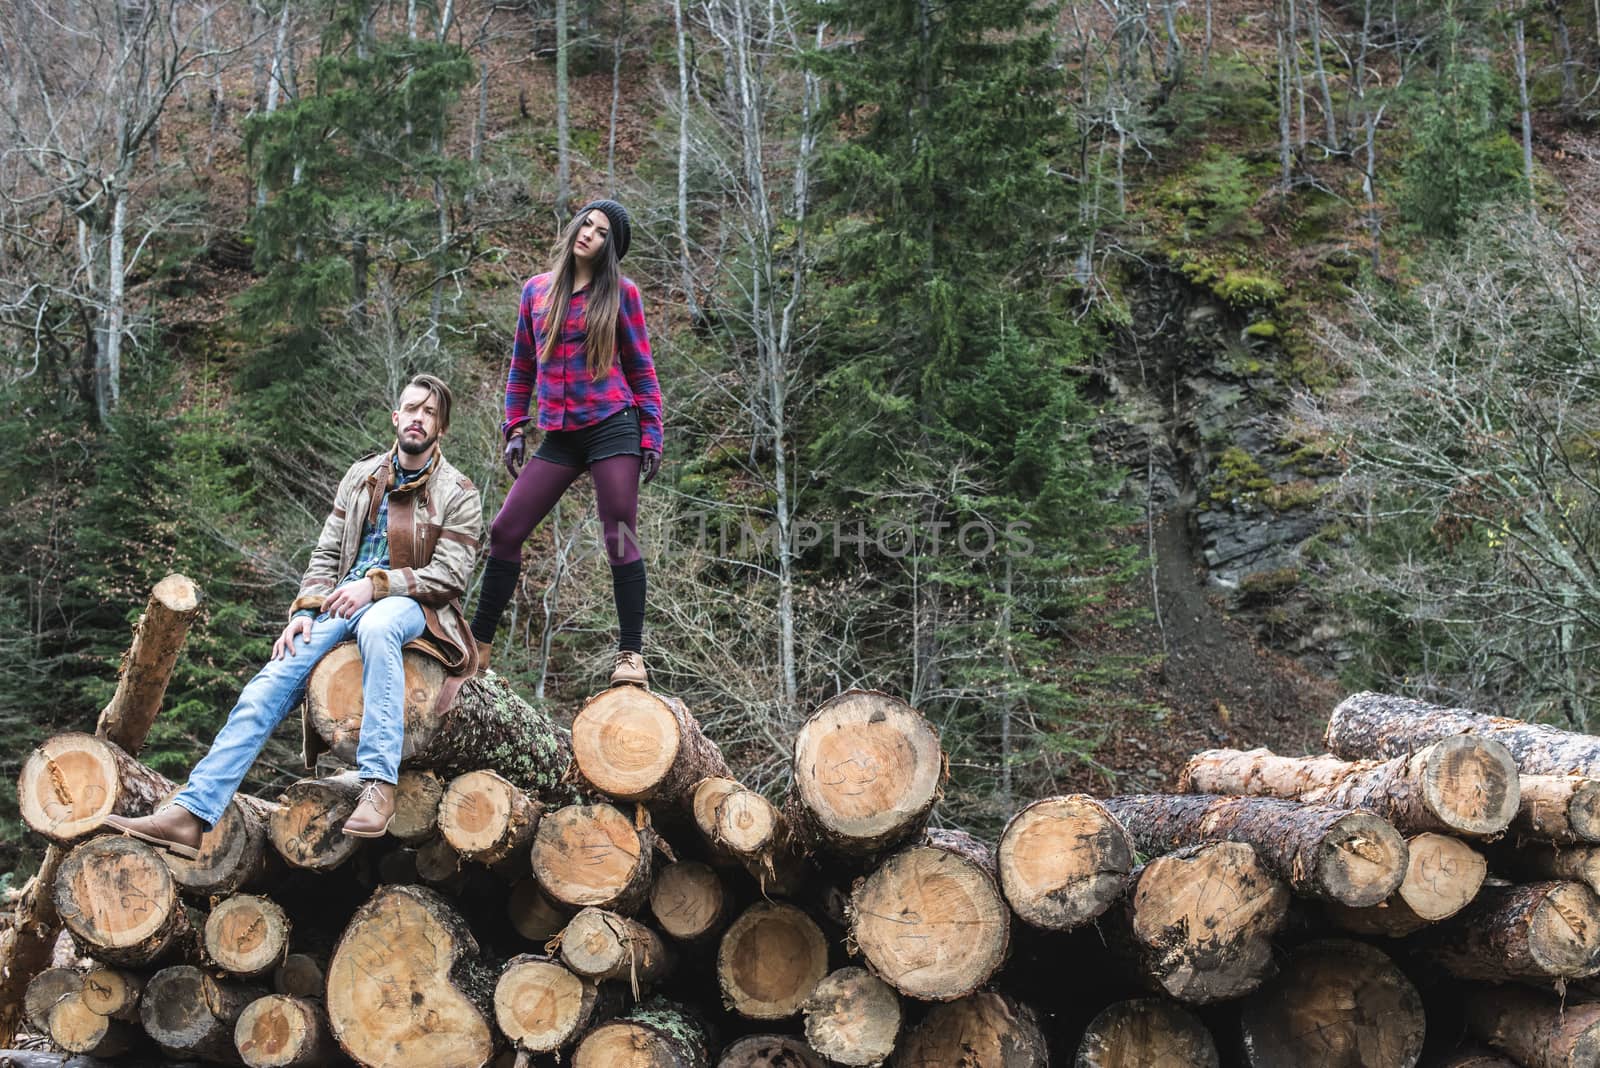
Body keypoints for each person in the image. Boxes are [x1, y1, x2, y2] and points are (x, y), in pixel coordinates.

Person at [107, 374, 483, 856]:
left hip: (414, 609)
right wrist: (305, 609)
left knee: (379, 622)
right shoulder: (361, 476)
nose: (418, 418)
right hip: (341, 602)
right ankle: (193, 811)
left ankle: (378, 785)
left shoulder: (459, 492)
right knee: (269, 681)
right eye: (411, 408)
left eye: (429, 413)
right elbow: (326, 554)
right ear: (395, 417)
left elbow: (451, 575)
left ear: (441, 428)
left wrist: (378, 585)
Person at [469, 198, 664, 687]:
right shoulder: (536, 291)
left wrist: (652, 432)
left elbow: (641, 367)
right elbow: (522, 365)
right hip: (559, 433)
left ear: (609, 248)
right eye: (587, 224)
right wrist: (514, 424)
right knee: (505, 530)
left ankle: (630, 657)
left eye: (600, 233)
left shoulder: (622, 294)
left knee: (619, 530)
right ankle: (477, 649)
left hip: (612, 422)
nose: (589, 235)